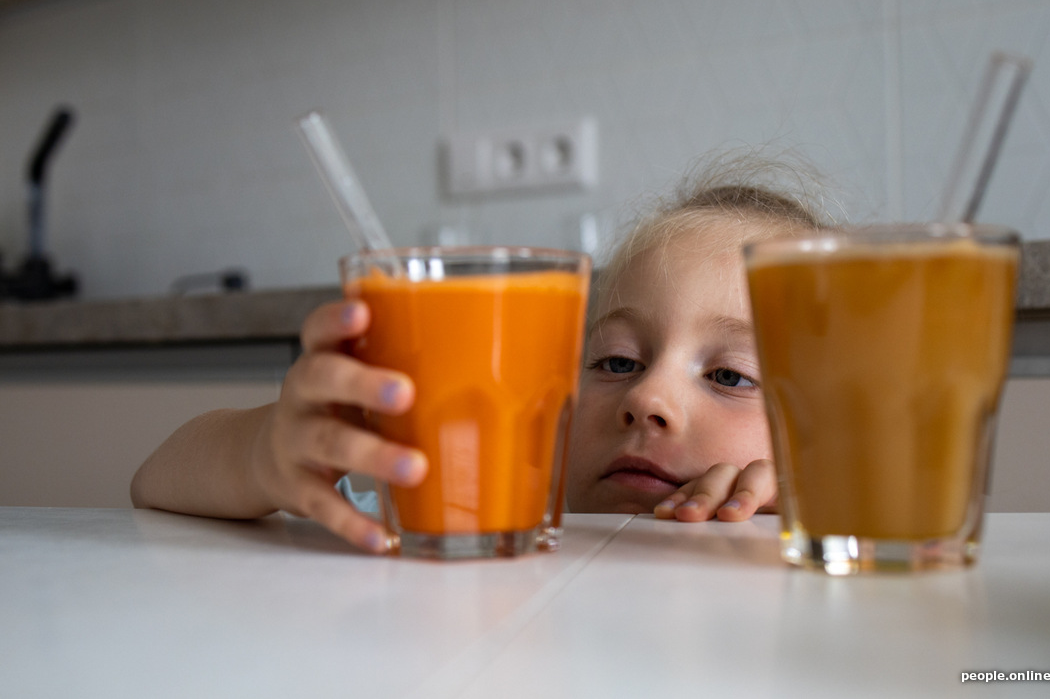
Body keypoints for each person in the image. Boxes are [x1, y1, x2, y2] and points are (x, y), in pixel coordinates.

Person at [131, 153, 828, 553]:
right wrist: (262, 453)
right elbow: (155, 478)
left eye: (731, 374)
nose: (647, 397)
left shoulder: (826, 536)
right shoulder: (473, 504)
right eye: (617, 361)